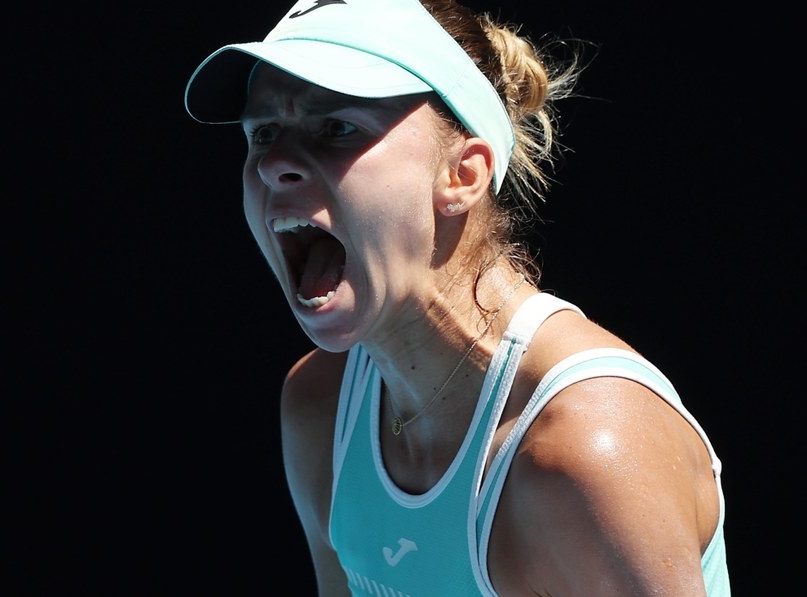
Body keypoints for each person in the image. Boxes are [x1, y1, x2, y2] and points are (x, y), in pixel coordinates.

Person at [184, 0, 731, 594]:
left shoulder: (585, 450)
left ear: (463, 175)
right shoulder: (319, 406)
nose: (275, 164)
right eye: (263, 133)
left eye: (336, 127)